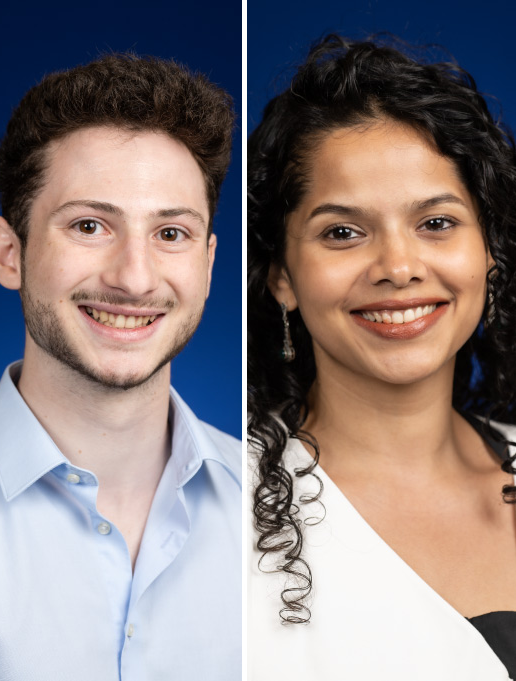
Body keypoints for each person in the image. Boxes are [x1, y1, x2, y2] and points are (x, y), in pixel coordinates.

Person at [248, 35, 516, 679]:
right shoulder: (211, 514)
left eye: (437, 222)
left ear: (490, 252)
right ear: (282, 274)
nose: (399, 267)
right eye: (343, 232)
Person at [0, 54, 241, 679]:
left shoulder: (282, 507)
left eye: (170, 234)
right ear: (10, 253)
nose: (134, 277)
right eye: (91, 225)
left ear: (207, 262)